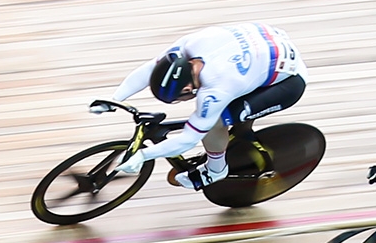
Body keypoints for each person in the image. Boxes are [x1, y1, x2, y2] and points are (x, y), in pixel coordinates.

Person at [102, 23, 308, 190]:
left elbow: (188, 140)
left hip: (288, 83)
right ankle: (239, 135)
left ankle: (216, 170)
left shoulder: (216, 90)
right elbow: (150, 68)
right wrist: (115, 98)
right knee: (220, 112)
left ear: (188, 88)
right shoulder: (187, 48)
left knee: (215, 123)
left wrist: (144, 155)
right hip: (266, 45)